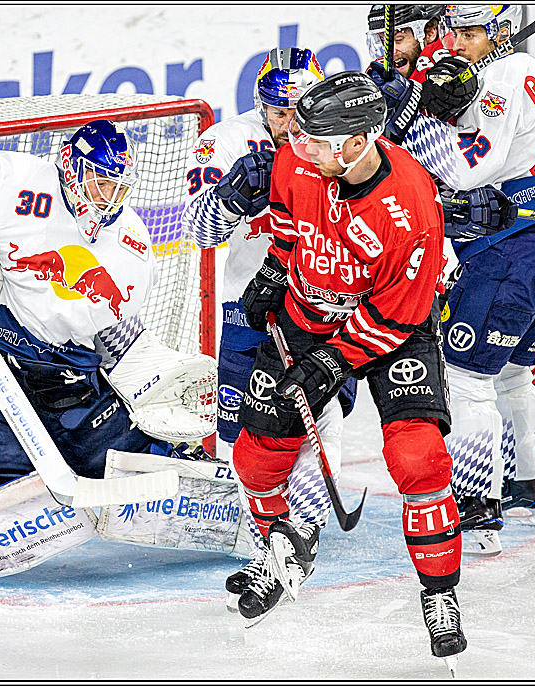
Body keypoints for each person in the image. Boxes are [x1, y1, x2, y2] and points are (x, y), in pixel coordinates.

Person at [227, 70, 467, 668]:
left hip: (390, 329)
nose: (297, 146)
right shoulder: (300, 157)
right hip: (308, 311)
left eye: (314, 139)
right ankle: (278, 552)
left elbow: (398, 313)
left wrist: (336, 359)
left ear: (357, 142)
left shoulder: (410, 206)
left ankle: (440, 593)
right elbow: (287, 223)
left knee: (417, 456)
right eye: (299, 134)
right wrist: (274, 273)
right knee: (257, 452)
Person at [0, 119, 215, 493]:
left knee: (121, 460)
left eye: (119, 188)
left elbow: (114, 327)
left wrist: (150, 373)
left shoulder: (130, 241)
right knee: (5, 483)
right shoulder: (10, 178)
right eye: (101, 182)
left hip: (62, 374)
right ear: (72, 165)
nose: (109, 198)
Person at [393, 5, 535, 554]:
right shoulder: (519, 71)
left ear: (498, 33)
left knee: (464, 379)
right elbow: (499, 142)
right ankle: (529, 484)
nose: (457, 41)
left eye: (470, 32)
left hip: (514, 249)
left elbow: (467, 170)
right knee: (512, 372)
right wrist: (458, 105)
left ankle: (478, 510)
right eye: (453, 31)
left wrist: (428, 117)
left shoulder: (503, 78)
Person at [181, 47, 357, 612]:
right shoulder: (227, 142)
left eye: (298, 111)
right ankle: (267, 532)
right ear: (261, 105)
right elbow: (199, 229)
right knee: (239, 432)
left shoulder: (332, 143)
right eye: (279, 112)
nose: (290, 124)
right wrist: (232, 196)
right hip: (248, 305)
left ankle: (294, 539)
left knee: (315, 416)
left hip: (327, 300)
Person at [365, 4, 454, 81]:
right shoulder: (377, 72)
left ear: (430, 33)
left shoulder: (451, 67)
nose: (391, 52)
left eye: (398, 39)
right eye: (384, 41)